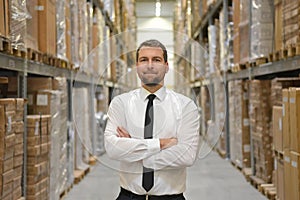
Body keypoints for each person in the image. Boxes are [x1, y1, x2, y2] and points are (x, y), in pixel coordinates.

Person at [104, 39, 200, 200]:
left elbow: (187, 155)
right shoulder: (121, 103)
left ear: (166, 66)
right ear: (137, 67)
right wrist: (161, 144)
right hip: (129, 196)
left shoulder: (185, 106)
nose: (150, 65)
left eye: (156, 60)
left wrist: (133, 149)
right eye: (144, 60)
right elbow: (112, 149)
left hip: (171, 197)